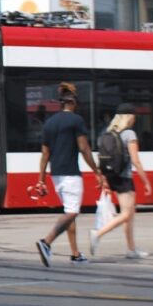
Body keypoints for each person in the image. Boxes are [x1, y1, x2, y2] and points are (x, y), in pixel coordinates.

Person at [35, 82, 105, 266]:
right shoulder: (76, 120)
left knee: (69, 211)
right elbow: (84, 148)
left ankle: (75, 254)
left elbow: (45, 154)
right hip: (71, 174)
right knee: (72, 212)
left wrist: (41, 180)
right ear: (73, 102)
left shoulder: (49, 123)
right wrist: (97, 172)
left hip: (55, 175)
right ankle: (46, 242)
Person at [89, 104, 153, 259]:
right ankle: (98, 234)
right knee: (127, 213)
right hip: (125, 178)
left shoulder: (107, 132)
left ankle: (131, 250)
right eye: (133, 115)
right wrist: (146, 182)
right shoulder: (129, 134)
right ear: (129, 117)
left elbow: (101, 158)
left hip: (113, 177)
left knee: (128, 214)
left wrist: (102, 178)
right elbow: (136, 161)